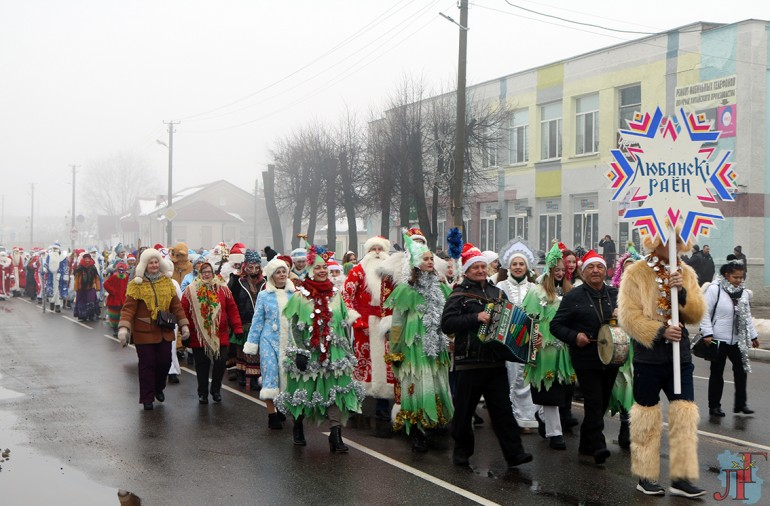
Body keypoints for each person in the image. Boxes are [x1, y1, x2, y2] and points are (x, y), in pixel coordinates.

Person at [618, 232, 707, 498]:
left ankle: (681, 478)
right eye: (668, 239)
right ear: (656, 241)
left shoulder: (686, 271)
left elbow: (697, 313)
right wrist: (659, 332)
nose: (673, 245)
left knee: (684, 416)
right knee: (646, 415)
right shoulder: (637, 272)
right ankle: (645, 476)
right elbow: (628, 317)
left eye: (678, 240)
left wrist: (683, 295)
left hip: (680, 357)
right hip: (649, 358)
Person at [441, 243, 533, 468]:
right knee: (464, 413)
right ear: (467, 271)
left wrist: (528, 337)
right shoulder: (459, 294)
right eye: (476, 268)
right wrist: (475, 318)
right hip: (468, 362)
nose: (481, 270)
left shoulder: (497, 292)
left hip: (494, 361)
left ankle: (514, 453)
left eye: (483, 267)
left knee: (503, 411)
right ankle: (461, 453)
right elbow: (447, 324)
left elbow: (512, 321)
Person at [275, 243, 364, 452]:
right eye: (317, 268)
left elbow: (342, 326)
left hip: (333, 353)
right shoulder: (300, 296)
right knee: (304, 391)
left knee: (336, 391)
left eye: (324, 267)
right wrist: (299, 352)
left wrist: (346, 353)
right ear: (309, 270)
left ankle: (336, 435)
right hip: (308, 352)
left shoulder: (336, 295)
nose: (322, 271)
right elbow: (295, 326)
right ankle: (298, 427)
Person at [383, 234, 454, 452]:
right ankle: (416, 430)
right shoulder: (405, 290)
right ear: (415, 263)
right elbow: (397, 323)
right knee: (416, 384)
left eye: (431, 258)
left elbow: (450, 313)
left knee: (435, 383)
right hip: (414, 346)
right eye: (425, 259)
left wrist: (451, 339)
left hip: (436, 347)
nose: (430, 262)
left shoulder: (441, 288)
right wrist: (395, 351)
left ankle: (431, 422)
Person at [551, 250, 619, 466]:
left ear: (605, 270)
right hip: (586, 357)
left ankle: (586, 443)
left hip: (612, 357)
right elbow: (556, 326)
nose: (596, 271)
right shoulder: (574, 296)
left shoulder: (615, 294)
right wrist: (574, 336)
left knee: (603, 401)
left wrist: (622, 316)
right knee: (594, 401)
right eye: (591, 267)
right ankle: (599, 447)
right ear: (583, 271)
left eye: (599, 267)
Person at [118, 248, 189, 410]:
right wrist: (124, 328)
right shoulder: (136, 285)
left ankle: (158, 388)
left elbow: (176, 306)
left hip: (164, 330)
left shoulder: (167, 282)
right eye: (151, 262)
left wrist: (184, 324)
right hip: (144, 332)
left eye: (156, 262)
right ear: (144, 265)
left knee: (165, 362)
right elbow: (128, 309)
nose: (154, 265)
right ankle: (147, 398)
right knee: (147, 365)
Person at [342, 235, 395, 436]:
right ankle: (355, 406)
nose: (377, 252)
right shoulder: (358, 270)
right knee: (361, 366)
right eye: (373, 248)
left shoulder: (392, 272)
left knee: (385, 365)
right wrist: (355, 318)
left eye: (380, 248)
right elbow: (345, 296)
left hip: (386, 324)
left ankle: (382, 410)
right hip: (363, 325)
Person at [522, 243, 574, 450]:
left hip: (565, 350)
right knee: (549, 390)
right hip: (546, 349)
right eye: (557, 269)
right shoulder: (537, 292)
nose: (560, 273)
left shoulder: (570, 292)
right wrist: (534, 337)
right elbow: (529, 319)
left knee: (563, 391)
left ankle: (543, 415)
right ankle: (555, 434)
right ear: (549, 270)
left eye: (563, 270)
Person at [700, 257, 758, 418]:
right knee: (717, 373)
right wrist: (708, 333)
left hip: (737, 339)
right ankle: (714, 406)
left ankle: (740, 404)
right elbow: (705, 312)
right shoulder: (715, 289)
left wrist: (753, 336)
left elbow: (747, 316)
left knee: (741, 370)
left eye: (741, 277)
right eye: (736, 277)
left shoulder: (744, 293)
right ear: (726, 275)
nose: (739, 280)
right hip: (718, 339)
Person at [181, 261, 244, 405]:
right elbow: (183, 312)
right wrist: (184, 333)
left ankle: (216, 390)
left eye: (209, 271)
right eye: (204, 272)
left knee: (221, 361)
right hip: (199, 336)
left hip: (219, 334)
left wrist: (237, 328)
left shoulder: (223, 289)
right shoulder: (190, 291)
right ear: (199, 274)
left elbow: (233, 309)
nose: (207, 274)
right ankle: (202, 392)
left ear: (213, 272)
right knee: (202, 365)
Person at [244, 257, 295, 429]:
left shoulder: (294, 294)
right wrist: (252, 344)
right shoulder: (264, 295)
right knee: (270, 375)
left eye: (284, 271)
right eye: (278, 272)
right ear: (272, 276)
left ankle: (282, 406)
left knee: (286, 376)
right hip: (268, 341)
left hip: (288, 341)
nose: (281, 275)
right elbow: (257, 320)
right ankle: (271, 414)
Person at [495, 238, 539, 431]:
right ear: (508, 266)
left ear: (527, 266)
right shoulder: (500, 287)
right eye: (515, 264)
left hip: (529, 340)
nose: (518, 267)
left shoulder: (535, 289)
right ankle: (510, 418)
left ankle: (528, 418)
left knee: (527, 379)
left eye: (521, 264)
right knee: (510, 377)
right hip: (507, 340)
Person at [608, 250, 642, 449]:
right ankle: (624, 427)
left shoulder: (647, 295)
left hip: (641, 348)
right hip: (621, 348)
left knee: (639, 388)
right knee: (623, 387)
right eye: (626, 269)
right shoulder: (613, 293)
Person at [228, 249, 266, 390]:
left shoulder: (265, 282)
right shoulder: (236, 282)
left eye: (257, 267)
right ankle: (241, 374)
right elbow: (231, 302)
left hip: (259, 323)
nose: (254, 270)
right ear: (245, 266)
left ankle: (255, 378)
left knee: (256, 353)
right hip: (242, 322)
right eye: (251, 267)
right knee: (242, 351)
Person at [103, 261, 130, 336]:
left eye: (123, 270)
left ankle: (121, 328)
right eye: (120, 270)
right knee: (114, 316)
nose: (121, 271)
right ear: (117, 270)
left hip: (122, 300)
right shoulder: (114, 276)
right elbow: (105, 284)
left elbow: (127, 286)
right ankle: (115, 329)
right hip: (114, 300)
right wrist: (112, 291)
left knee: (122, 315)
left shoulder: (126, 277)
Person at [73, 253, 102, 322]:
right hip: (81, 288)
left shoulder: (93, 267)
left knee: (91, 301)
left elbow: (97, 278)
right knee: (82, 301)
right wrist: (76, 288)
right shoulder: (79, 267)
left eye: (88, 258)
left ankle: (91, 315)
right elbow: (76, 278)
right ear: (83, 259)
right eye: (85, 258)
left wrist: (98, 287)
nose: (87, 260)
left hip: (91, 287)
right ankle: (82, 315)